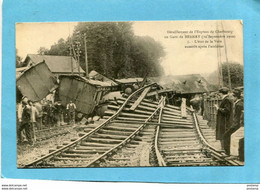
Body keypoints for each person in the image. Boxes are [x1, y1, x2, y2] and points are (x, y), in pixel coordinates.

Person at [223, 89, 244, 155]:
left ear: (236, 97)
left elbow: (238, 117)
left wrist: (234, 125)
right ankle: (229, 152)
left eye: (232, 97)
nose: (231, 98)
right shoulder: (238, 103)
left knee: (226, 135)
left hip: (237, 125)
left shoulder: (239, 105)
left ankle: (228, 152)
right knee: (228, 135)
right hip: (237, 124)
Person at [214, 87, 233, 152]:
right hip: (223, 119)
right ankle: (223, 148)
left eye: (219, 93)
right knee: (221, 132)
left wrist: (218, 108)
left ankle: (224, 149)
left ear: (221, 93)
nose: (219, 95)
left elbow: (227, 110)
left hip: (224, 120)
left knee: (222, 133)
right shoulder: (226, 99)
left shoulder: (226, 99)